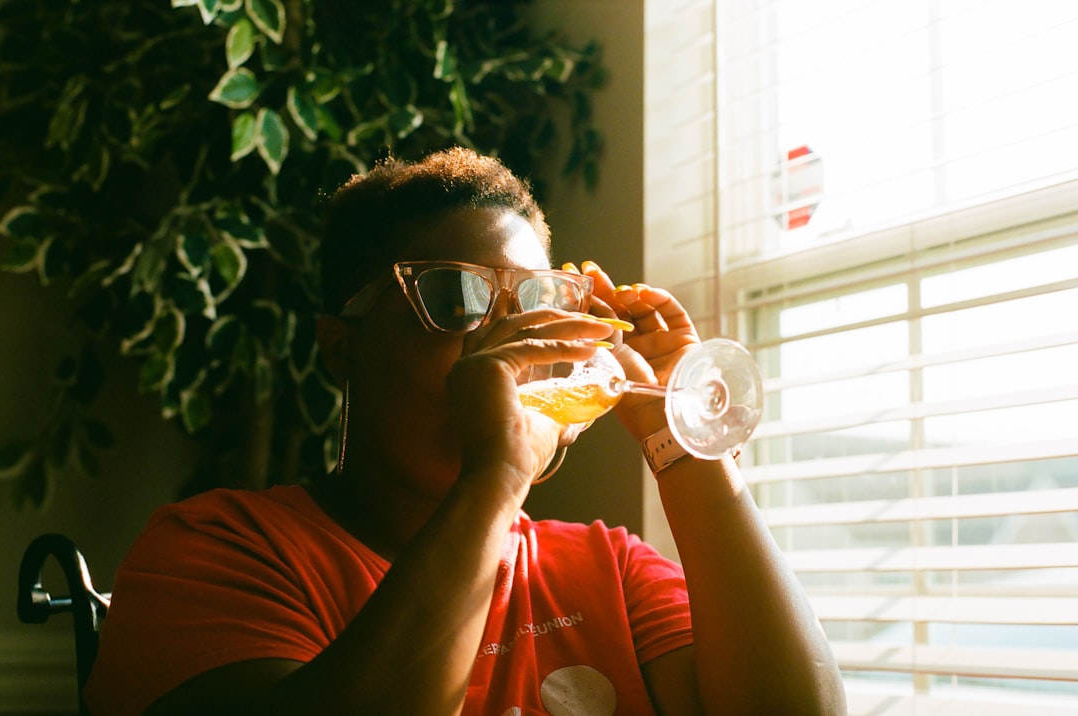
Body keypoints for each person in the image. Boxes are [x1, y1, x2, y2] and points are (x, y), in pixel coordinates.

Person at [85, 147, 846, 715]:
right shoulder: (217, 552)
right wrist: (497, 478)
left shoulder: (609, 571)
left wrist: (685, 438)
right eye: (455, 297)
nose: (513, 344)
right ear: (340, 345)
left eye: (539, 305)